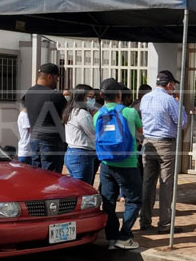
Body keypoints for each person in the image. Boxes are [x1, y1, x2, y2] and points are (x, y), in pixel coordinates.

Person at [95, 79, 143, 250]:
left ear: (101, 95)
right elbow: (141, 130)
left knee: (108, 201)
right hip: (128, 163)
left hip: (106, 163)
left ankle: (112, 238)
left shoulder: (97, 115)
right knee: (134, 199)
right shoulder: (129, 112)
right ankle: (124, 236)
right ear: (119, 94)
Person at [139, 71, 188, 234]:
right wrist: (180, 104)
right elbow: (182, 122)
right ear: (169, 85)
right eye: (173, 84)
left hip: (148, 142)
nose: (174, 87)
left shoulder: (146, 98)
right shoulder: (169, 100)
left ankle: (144, 220)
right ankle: (164, 222)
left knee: (148, 183)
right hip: (165, 144)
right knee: (166, 184)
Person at [23, 63, 67, 173]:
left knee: (37, 175)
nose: (57, 81)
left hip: (35, 140)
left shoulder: (29, 93)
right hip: (51, 141)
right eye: (56, 78)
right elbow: (67, 115)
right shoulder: (55, 95)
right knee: (51, 176)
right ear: (49, 77)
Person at [63, 84, 97, 185]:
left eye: (93, 97)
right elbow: (94, 134)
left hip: (72, 153)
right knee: (82, 189)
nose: (93, 100)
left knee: (75, 187)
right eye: (90, 97)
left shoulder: (71, 111)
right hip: (81, 155)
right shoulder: (82, 114)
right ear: (81, 97)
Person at [16, 97, 33, 165]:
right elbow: (31, 130)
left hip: (28, 152)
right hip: (26, 152)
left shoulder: (27, 115)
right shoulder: (24, 116)